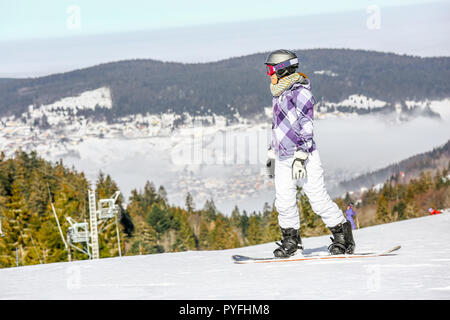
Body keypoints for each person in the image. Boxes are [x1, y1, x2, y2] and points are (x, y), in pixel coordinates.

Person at [265, 49, 355, 258]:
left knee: (317, 198)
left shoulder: (301, 93)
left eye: (270, 69)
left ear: (282, 69)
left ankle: (343, 237)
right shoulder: (279, 94)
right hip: (283, 156)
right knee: (284, 200)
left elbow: (306, 126)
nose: (269, 74)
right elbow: (278, 128)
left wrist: (301, 156)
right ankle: (291, 243)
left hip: (303, 156)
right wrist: (271, 154)